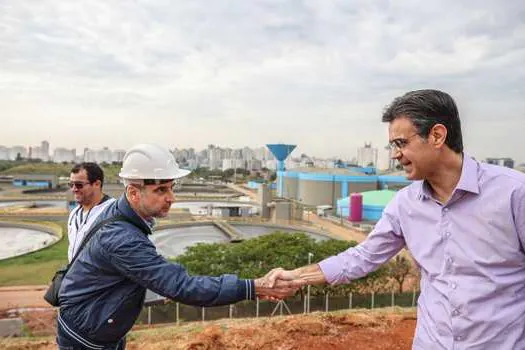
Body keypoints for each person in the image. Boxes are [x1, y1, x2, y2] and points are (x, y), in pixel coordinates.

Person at [265, 89, 525, 349]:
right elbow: (363, 257)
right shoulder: (405, 204)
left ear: (437, 135)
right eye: (393, 146)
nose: (394, 154)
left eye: (401, 143)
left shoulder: (513, 193)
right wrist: (297, 277)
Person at [57, 143, 298, 350]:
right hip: (86, 335)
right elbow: (181, 286)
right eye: (161, 189)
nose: (171, 197)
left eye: (171, 188)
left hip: (96, 320)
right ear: (132, 192)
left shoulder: (119, 211)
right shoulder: (122, 238)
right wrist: (252, 287)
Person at [67, 163, 115, 262]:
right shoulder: (74, 214)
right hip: (75, 275)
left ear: (97, 184)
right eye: (71, 184)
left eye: (79, 185)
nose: (74, 189)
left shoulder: (113, 211)